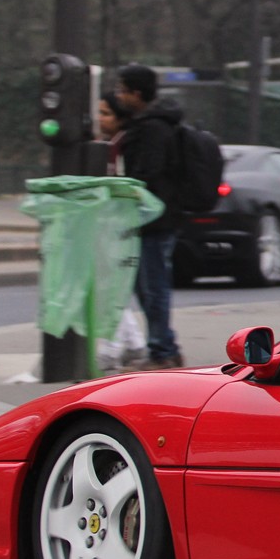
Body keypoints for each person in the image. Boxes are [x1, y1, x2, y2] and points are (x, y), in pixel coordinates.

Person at [113, 63, 188, 370]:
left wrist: (124, 188)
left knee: (153, 288)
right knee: (147, 288)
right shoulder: (149, 124)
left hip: (155, 219)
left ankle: (163, 352)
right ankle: (165, 347)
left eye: (123, 90)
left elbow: (149, 173)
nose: (119, 96)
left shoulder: (153, 128)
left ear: (137, 93)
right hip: (151, 219)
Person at [94, 91, 145, 373]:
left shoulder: (121, 146)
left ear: (120, 117)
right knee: (113, 287)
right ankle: (133, 342)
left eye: (106, 113)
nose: (100, 119)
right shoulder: (108, 144)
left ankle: (113, 347)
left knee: (110, 287)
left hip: (116, 226)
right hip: (113, 225)